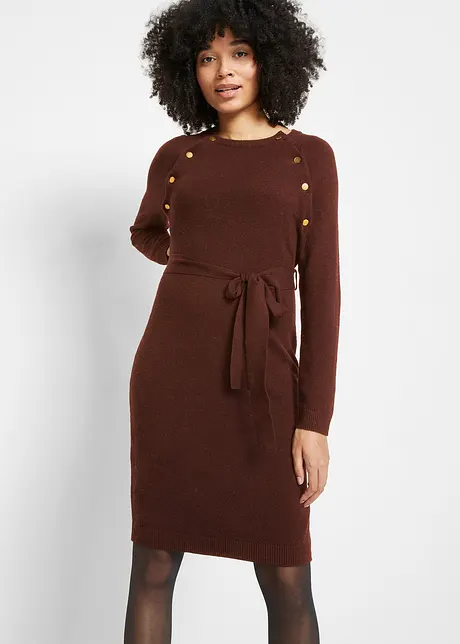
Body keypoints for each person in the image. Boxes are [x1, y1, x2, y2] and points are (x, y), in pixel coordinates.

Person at [124, 0, 341, 641]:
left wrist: (315, 421)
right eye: (206, 57)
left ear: (270, 59)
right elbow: (147, 232)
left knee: (288, 577)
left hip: (267, 386)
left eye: (239, 53)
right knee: (153, 565)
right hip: (172, 377)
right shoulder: (177, 156)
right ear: (186, 71)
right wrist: (201, 274)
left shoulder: (309, 158)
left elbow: (323, 292)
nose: (223, 71)